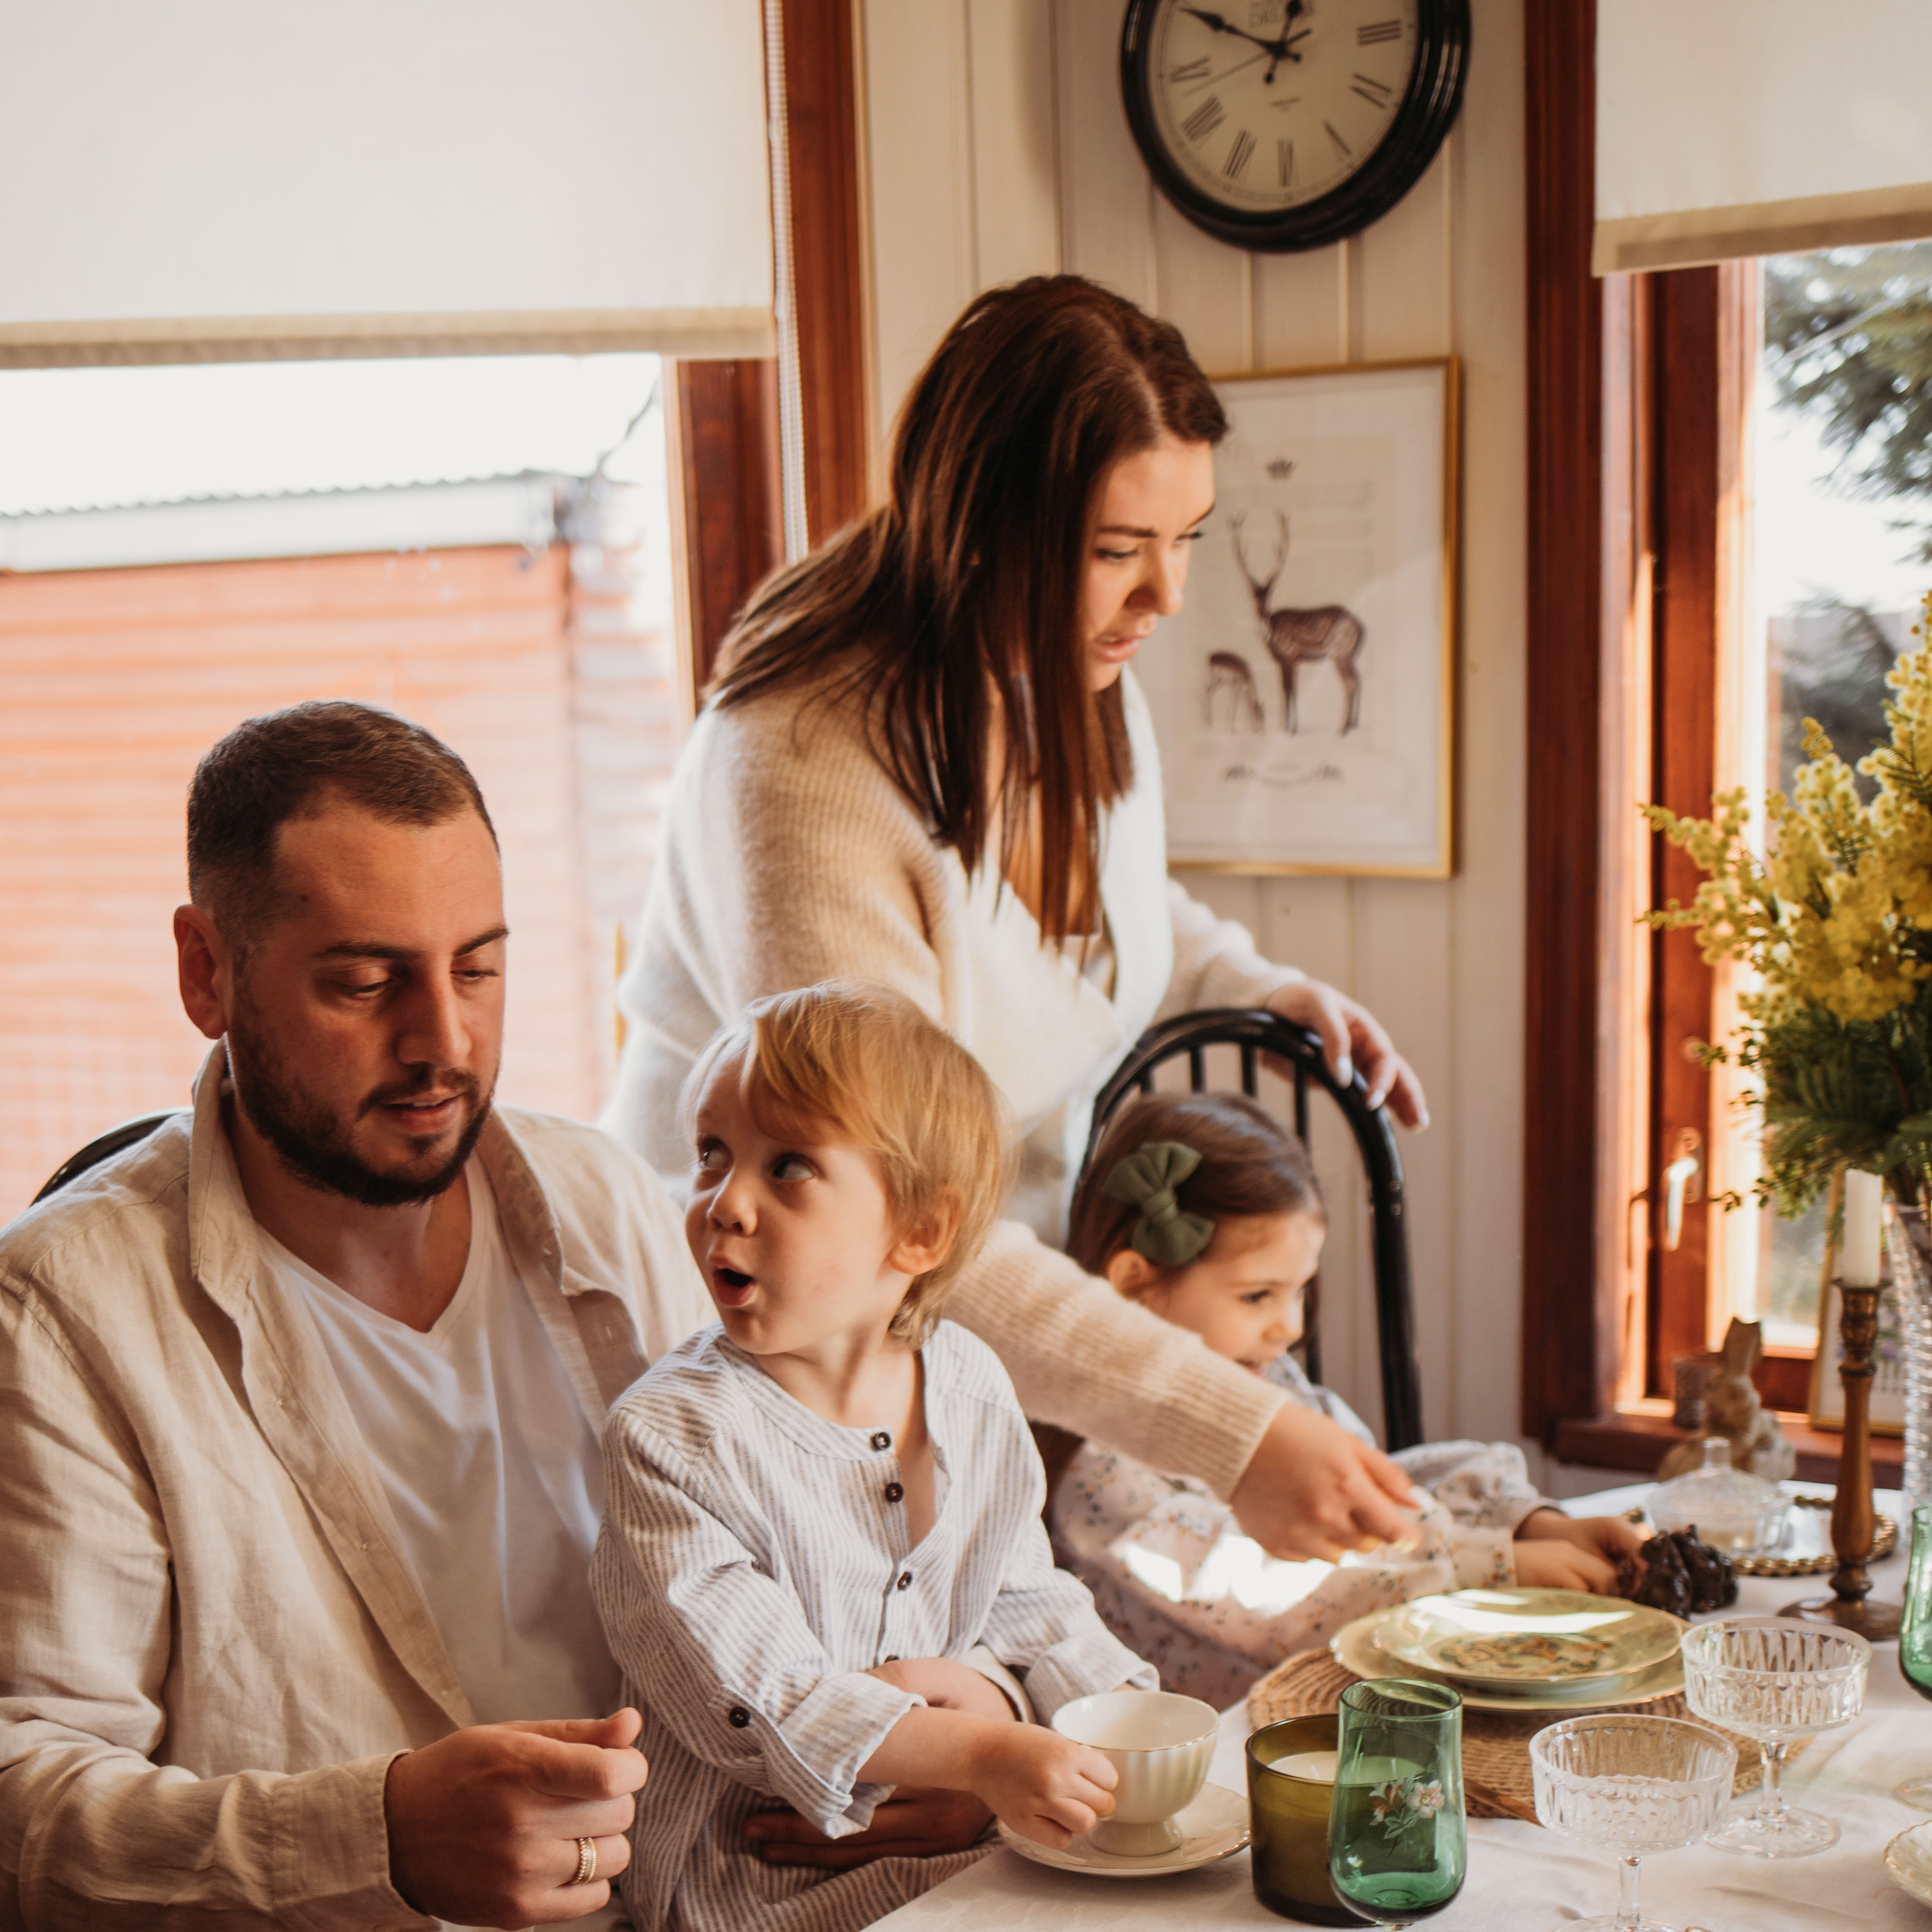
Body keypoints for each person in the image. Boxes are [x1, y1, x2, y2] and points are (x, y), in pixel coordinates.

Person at [605, 275, 1425, 1627]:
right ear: (983, 528)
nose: (1167, 593)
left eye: (1188, 538)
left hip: (957, 1319)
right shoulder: (803, 761)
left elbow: (1102, 916)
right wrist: (1230, 1431)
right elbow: (884, 1215)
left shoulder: (1074, 673)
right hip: (777, 1348)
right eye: (1117, 547)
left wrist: (1249, 983)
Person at [0, 701, 716, 1931]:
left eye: (478, 967)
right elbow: (24, 1807)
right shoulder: (62, 1312)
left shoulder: (603, 1201)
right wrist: (373, 1837)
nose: (444, 1040)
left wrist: (955, 1710)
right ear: (205, 970)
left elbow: (798, 1532)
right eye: (366, 981)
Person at [592, 982, 1154, 1932]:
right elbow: (762, 1704)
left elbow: (1027, 1605)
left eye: (789, 1166)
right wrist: (981, 1755)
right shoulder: (671, 1436)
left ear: (920, 1231)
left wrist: (1132, 1724)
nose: (725, 1203)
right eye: (712, 1155)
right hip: (754, 1877)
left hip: (958, 1839)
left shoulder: (969, 1384)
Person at [1050, 1092, 1647, 1709]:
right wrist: (1493, 1569)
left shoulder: (1268, 1377)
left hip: (1362, 1697)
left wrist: (1525, 1522)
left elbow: (1378, 1484)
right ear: (1136, 1285)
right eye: (1258, 1295)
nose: (1289, 1326)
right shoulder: (1098, 1463)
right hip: (1236, 1743)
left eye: (1299, 1291)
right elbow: (1268, 1597)